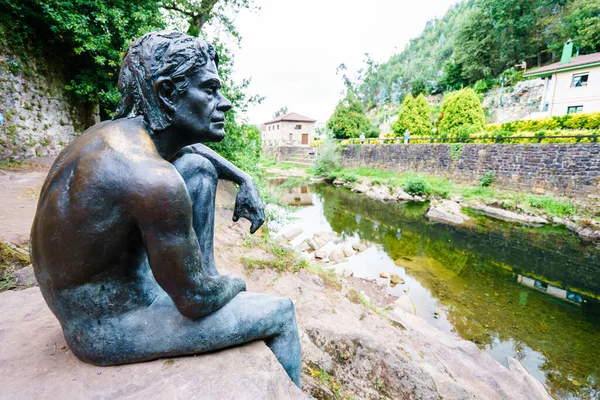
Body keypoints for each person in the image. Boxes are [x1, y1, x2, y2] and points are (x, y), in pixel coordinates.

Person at [30, 31, 301, 387]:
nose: (225, 102)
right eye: (210, 89)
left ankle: (199, 273)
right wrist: (235, 284)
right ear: (167, 93)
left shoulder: (114, 135)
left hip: (87, 299)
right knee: (281, 314)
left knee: (199, 168)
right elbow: (195, 303)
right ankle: (205, 282)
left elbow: (191, 150)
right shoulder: (153, 179)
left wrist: (241, 176)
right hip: (105, 325)